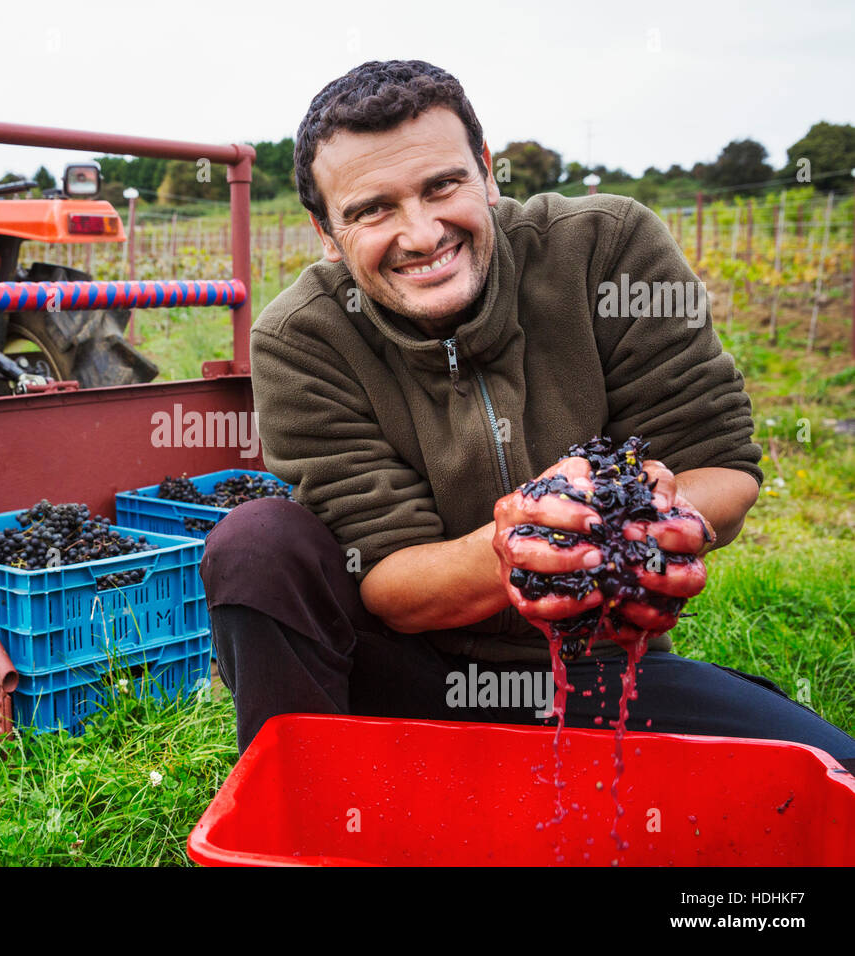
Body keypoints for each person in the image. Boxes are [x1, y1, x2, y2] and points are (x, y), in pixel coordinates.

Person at [200, 59, 855, 773]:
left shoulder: (607, 248)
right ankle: (308, 810)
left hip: (600, 673)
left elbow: (722, 469)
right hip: (406, 679)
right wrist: (519, 540)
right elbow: (388, 578)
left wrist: (643, 515)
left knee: (825, 774)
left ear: (486, 170)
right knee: (257, 542)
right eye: (372, 210)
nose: (421, 235)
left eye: (441, 186)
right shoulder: (302, 337)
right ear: (326, 231)